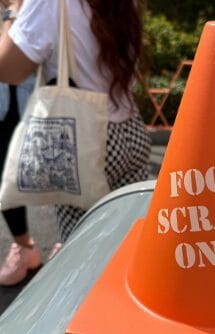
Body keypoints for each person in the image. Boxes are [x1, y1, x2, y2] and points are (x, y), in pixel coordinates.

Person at [0, 0, 150, 245]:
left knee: (86, 253)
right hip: (131, 131)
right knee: (128, 244)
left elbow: (7, 69)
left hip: (84, 135)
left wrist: (13, 11)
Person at [0, 74, 35, 285]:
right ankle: (25, 247)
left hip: (44, 98)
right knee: (3, 181)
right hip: (5, 106)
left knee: (63, 171)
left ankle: (66, 241)